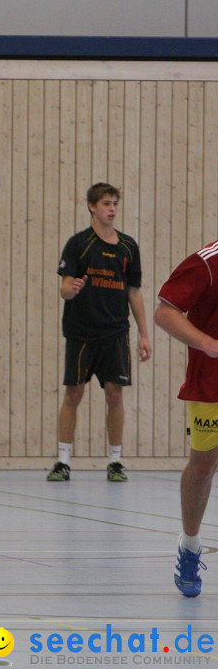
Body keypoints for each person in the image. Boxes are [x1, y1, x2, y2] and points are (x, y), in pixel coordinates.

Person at [47, 182, 152, 483]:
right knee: (74, 393)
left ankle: (116, 461)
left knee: (114, 395)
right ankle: (63, 460)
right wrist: (72, 288)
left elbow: (134, 293)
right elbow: (65, 288)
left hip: (115, 332)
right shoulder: (79, 244)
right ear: (92, 206)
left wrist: (144, 334)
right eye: (106, 203)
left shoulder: (128, 247)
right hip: (81, 332)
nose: (112, 209)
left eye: (115, 204)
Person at [154, 239, 218, 597]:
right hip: (211, 384)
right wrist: (208, 344)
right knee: (203, 465)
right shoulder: (209, 261)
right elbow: (165, 312)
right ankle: (190, 546)